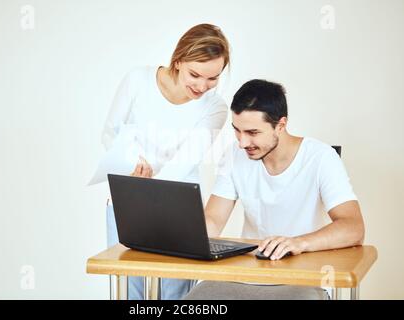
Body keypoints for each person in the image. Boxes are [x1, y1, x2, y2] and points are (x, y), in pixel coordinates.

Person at [184, 79, 365, 300]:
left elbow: (353, 227)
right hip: (242, 275)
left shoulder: (321, 157)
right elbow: (213, 219)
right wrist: (176, 233)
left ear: (281, 125)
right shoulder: (234, 154)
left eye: (252, 132)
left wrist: (299, 242)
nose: (242, 142)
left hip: (301, 280)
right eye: (237, 131)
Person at [89, 24, 231, 299]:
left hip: (179, 208)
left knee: (175, 296)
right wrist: (132, 163)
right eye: (195, 74)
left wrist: (149, 190)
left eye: (213, 78)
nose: (202, 86)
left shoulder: (215, 107)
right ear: (178, 60)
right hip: (126, 199)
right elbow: (110, 132)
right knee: (129, 293)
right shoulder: (138, 80)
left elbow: (185, 161)